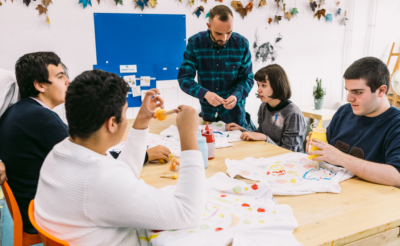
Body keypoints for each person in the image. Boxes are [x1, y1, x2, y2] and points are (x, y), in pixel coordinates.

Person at [0, 52, 170, 234]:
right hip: (45, 217)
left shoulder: (21, 111)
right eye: (60, 76)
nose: (68, 81)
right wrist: (144, 154)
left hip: (36, 207)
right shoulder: (39, 118)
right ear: (39, 85)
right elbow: (93, 159)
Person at [34, 70, 206, 246]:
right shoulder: (100, 180)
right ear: (111, 124)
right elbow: (188, 213)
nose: (126, 119)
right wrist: (188, 135)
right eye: (124, 114)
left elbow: (121, 176)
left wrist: (141, 121)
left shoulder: (62, 150)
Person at [307, 57, 400, 187]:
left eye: (357, 92)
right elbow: (328, 152)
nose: (349, 98)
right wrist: (317, 147)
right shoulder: (344, 111)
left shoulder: (396, 124)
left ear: (381, 91)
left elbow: (396, 176)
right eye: (348, 91)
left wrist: (341, 158)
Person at [178, 5, 256, 130]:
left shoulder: (241, 44)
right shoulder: (195, 43)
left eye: (228, 33)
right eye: (218, 33)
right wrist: (205, 94)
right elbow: (184, 79)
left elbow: (247, 78)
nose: (224, 38)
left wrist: (236, 96)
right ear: (209, 26)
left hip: (235, 115)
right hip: (208, 114)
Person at [226, 64, 307, 152]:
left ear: (277, 86)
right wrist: (242, 130)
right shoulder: (264, 106)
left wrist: (265, 138)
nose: (258, 90)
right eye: (258, 85)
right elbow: (261, 132)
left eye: (263, 85)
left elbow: (290, 151)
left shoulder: (293, 114)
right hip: (269, 156)